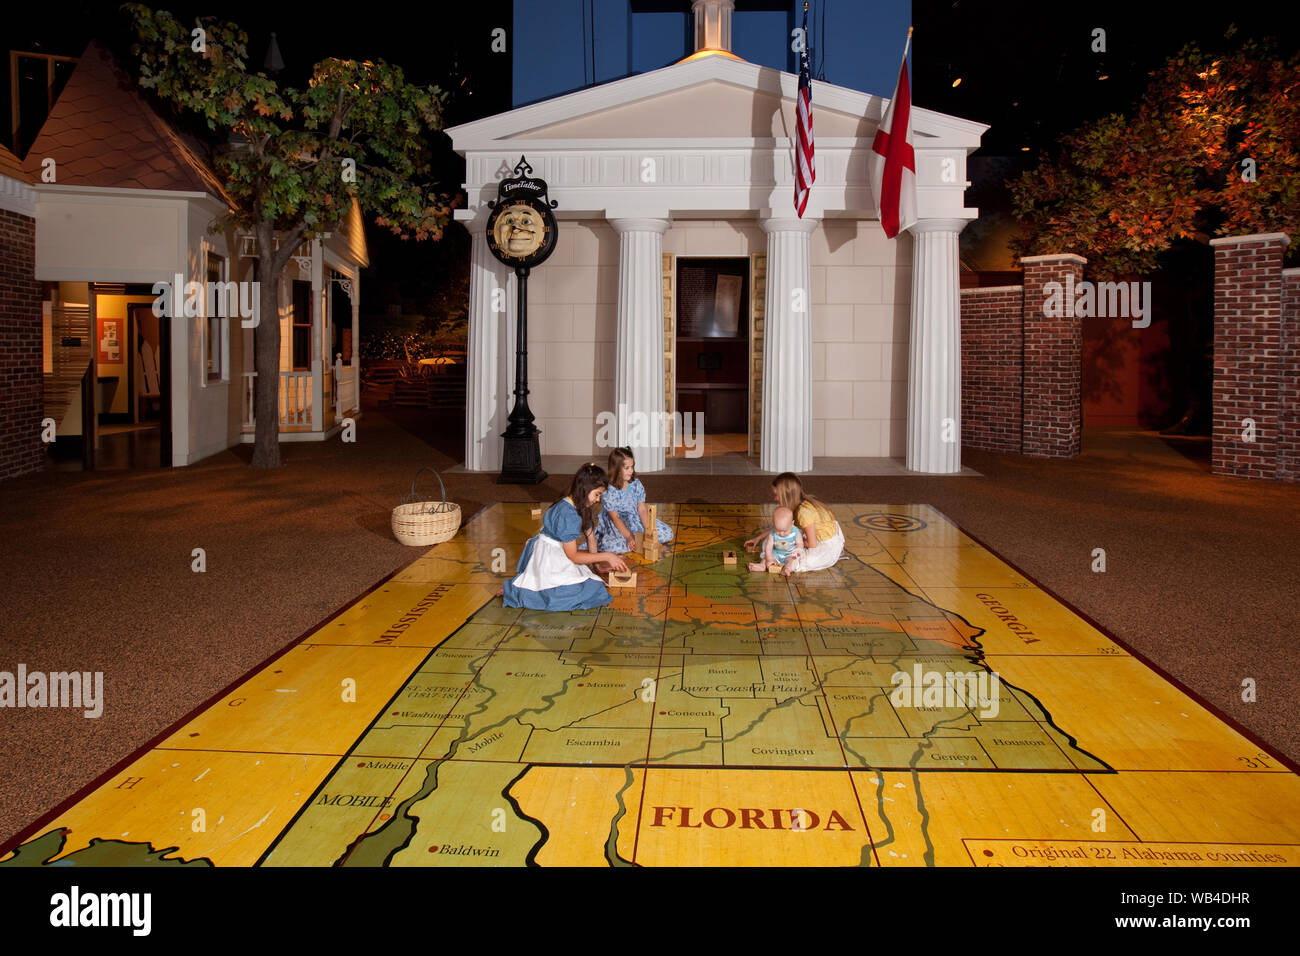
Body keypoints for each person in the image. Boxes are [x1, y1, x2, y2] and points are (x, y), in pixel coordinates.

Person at [502, 463, 629, 610]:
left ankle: (520, 589)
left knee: (594, 587)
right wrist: (607, 556)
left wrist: (597, 565)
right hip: (550, 557)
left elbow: (590, 536)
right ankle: (517, 591)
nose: (598, 499)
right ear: (585, 489)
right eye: (597, 494)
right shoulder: (567, 514)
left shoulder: (582, 505)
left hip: (560, 553)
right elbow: (573, 556)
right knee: (582, 592)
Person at [744, 472, 844, 577]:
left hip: (825, 546)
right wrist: (758, 538)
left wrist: (793, 543)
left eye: (776, 495)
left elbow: (812, 544)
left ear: (786, 495)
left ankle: (787, 566)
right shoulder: (798, 505)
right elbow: (780, 528)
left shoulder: (803, 512)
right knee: (769, 541)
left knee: (803, 559)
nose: (775, 498)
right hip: (810, 538)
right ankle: (772, 560)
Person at [593, 447, 674, 555]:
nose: (631, 471)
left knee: (667, 534)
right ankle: (632, 540)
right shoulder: (609, 491)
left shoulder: (635, 483)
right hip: (618, 524)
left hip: (634, 518)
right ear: (616, 469)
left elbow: (642, 509)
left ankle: (640, 539)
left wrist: (649, 531)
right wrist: (629, 537)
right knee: (616, 546)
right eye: (627, 468)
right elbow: (615, 518)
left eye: (632, 467)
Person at [748, 506, 805, 572]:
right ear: (774, 525)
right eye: (778, 530)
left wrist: (797, 552)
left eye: (784, 531)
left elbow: (800, 544)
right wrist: (769, 558)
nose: (781, 534)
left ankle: (788, 569)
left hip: (790, 554)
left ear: (792, 524)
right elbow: (768, 547)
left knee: (793, 562)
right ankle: (762, 565)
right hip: (777, 553)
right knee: (766, 558)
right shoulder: (772, 533)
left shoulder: (796, 532)